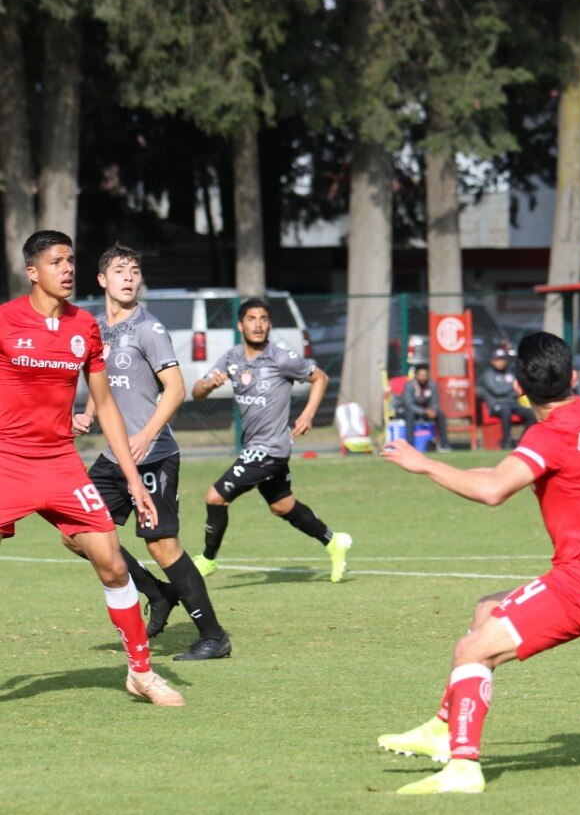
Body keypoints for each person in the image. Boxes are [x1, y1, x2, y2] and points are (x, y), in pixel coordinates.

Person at [377, 332, 580, 794]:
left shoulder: (549, 433)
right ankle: (443, 727)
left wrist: (425, 466)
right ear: (571, 375)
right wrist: (439, 464)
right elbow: (500, 475)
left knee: (469, 650)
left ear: (520, 385)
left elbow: (493, 491)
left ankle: (463, 768)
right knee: (485, 612)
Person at [0, 230, 182, 705]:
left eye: (71, 260)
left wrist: (130, 479)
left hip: (61, 464)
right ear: (32, 272)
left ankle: (141, 673)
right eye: (56, 261)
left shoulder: (85, 327)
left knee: (112, 563)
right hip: (8, 463)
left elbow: (106, 406)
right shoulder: (4, 321)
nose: (67, 268)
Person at [69, 244, 231, 659]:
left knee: (161, 544)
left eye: (135, 271)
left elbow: (175, 389)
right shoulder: (95, 327)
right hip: (113, 455)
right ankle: (157, 592)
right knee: (76, 531)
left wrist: (145, 435)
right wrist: (87, 414)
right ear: (102, 280)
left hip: (154, 454)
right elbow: (105, 385)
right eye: (120, 270)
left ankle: (213, 636)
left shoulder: (149, 328)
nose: (129, 277)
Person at [191, 298, 352, 581]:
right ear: (241, 325)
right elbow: (196, 393)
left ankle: (208, 560)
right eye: (252, 319)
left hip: (269, 450)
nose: (258, 324)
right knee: (282, 505)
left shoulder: (280, 357)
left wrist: (308, 415)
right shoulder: (232, 359)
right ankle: (333, 541)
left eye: (264, 319)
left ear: (270, 324)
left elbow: (321, 378)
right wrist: (207, 384)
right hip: (256, 448)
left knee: (215, 497)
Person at [477, 348, 534, 448]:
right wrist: (511, 388)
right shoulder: (488, 375)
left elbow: (517, 390)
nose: (501, 362)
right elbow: (497, 391)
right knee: (505, 410)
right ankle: (506, 440)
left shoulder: (510, 374)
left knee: (531, 413)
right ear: (492, 361)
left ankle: (522, 441)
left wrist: (512, 389)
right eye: (498, 359)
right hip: (496, 405)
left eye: (503, 359)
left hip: (513, 404)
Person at [401, 361, 450, 451]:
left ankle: (444, 444)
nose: (423, 377)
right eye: (421, 375)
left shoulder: (432, 385)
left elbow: (435, 401)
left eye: (425, 375)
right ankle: (410, 445)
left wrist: (433, 411)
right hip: (414, 411)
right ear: (416, 375)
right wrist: (424, 411)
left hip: (428, 411)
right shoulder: (409, 385)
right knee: (409, 414)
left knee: (440, 414)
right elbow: (408, 404)